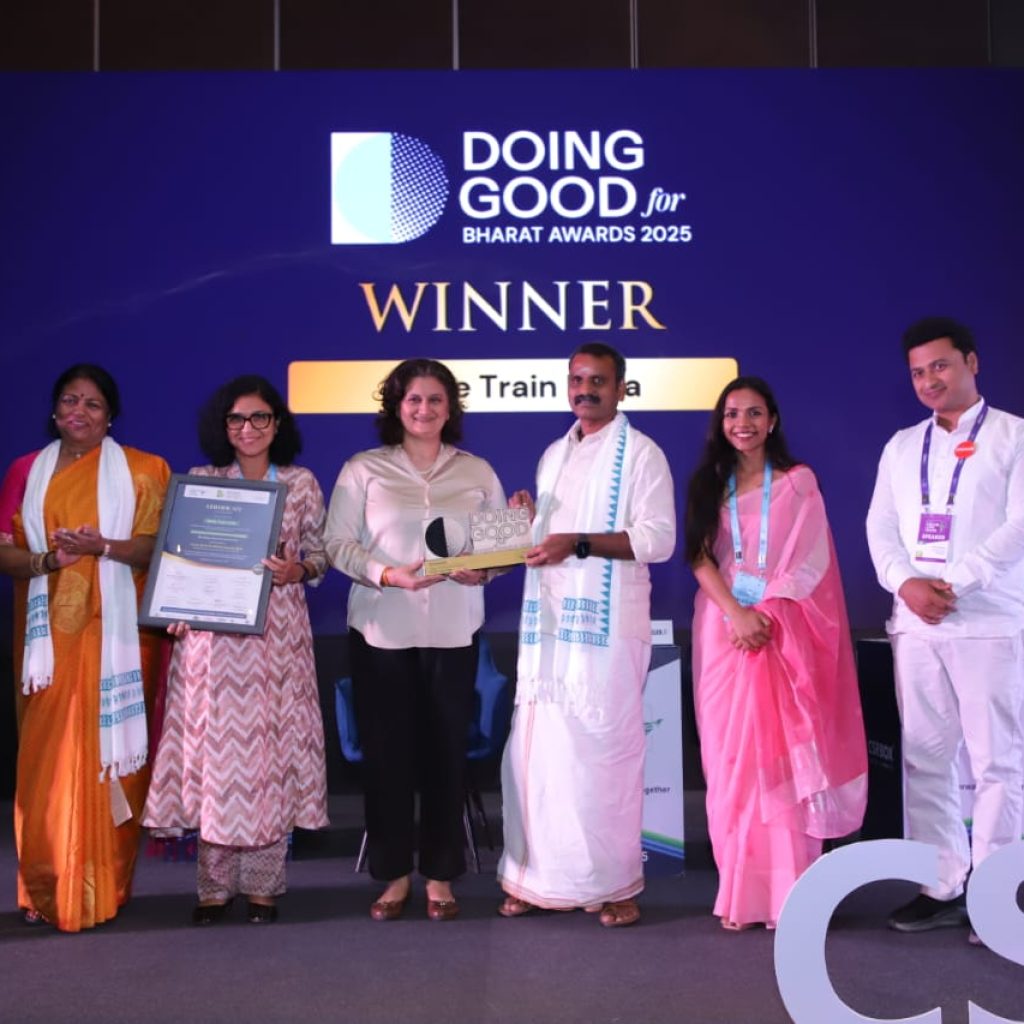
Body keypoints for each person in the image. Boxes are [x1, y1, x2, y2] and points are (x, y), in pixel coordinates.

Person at [497, 342, 675, 928]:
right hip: (549, 634)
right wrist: (529, 520)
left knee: (604, 754)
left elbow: (658, 540)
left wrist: (574, 542)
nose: (585, 390)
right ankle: (536, 880)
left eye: (598, 381)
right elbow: (547, 542)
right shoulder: (554, 455)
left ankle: (615, 884)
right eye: (577, 380)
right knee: (541, 755)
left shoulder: (642, 454)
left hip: (608, 632)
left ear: (621, 388)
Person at [143, 375, 329, 925]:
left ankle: (265, 887)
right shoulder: (202, 481)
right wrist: (176, 605)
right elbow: (177, 559)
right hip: (213, 646)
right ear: (222, 427)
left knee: (267, 761)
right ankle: (213, 889)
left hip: (277, 641)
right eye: (236, 419)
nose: (248, 428)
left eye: (259, 417)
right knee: (218, 763)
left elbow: (320, 554)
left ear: (277, 424)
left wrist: (299, 569)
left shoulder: (300, 483)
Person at [324, 358, 505, 922]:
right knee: (388, 759)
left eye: (435, 399)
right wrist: (386, 574)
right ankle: (393, 876)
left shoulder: (477, 471)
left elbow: (501, 548)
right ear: (396, 407)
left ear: (450, 409)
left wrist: (486, 569)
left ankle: (442, 878)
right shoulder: (363, 470)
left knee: (447, 757)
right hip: (382, 630)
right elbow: (336, 544)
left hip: (453, 631)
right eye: (413, 400)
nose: (424, 409)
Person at [685, 376, 867, 931]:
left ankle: (789, 893)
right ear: (721, 423)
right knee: (730, 763)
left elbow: (812, 559)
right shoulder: (708, 484)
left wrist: (766, 611)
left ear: (772, 421)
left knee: (781, 761)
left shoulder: (797, 482)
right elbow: (699, 558)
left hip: (780, 631)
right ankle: (741, 893)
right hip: (723, 633)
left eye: (753, 413)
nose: (742, 423)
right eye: (732, 414)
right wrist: (736, 614)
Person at [866, 317, 1024, 940]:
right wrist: (905, 583)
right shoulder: (902, 445)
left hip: (988, 622)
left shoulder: (1013, 436)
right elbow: (880, 527)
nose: (929, 380)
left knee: (997, 763)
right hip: (918, 626)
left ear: (971, 363)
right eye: (918, 372)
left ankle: (997, 892)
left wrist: (955, 583)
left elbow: (1018, 528)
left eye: (940, 366)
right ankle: (942, 884)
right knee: (927, 759)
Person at [0, 364, 170, 931]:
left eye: (93, 404)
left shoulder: (145, 471)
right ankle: (44, 886)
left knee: (112, 765)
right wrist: (51, 559)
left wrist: (105, 547)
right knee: (45, 767)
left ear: (110, 416)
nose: (80, 411)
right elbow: (5, 552)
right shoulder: (25, 471)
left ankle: (104, 887)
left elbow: (156, 548)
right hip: (45, 646)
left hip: (119, 640)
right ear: (54, 411)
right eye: (70, 400)